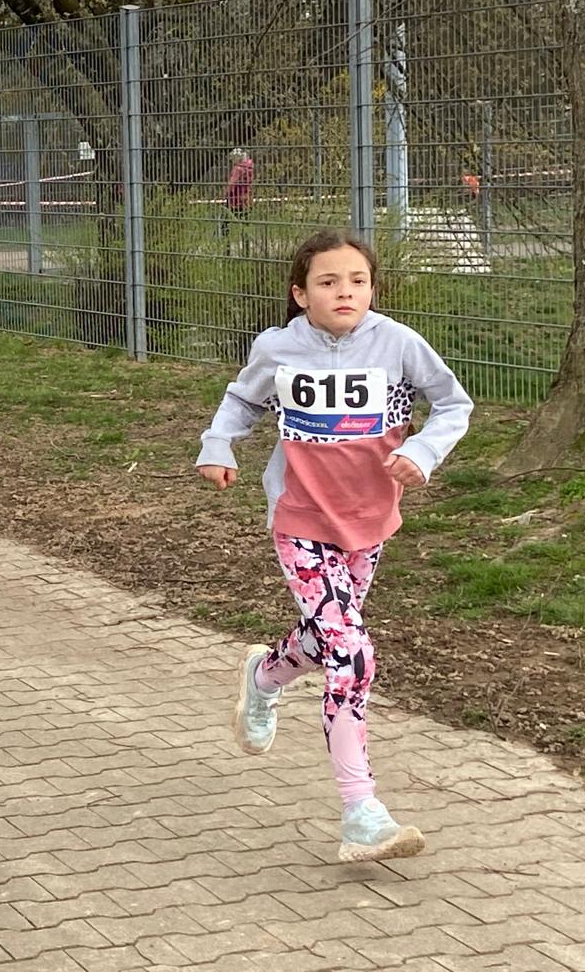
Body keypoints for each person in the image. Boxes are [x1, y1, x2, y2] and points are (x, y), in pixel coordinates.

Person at [196, 229, 472, 865]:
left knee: (328, 637)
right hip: (300, 516)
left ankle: (264, 677)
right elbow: (242, 398)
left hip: (370, 517)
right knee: (350, 650)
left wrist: (422, 451)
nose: (344, 292)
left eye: (357, 281)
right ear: (300, 294)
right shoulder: (279, 347)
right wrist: (218, 443)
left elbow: (453, 404)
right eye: (327, 282)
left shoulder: (399, 343)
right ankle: (361, 811)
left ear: (373, 289)